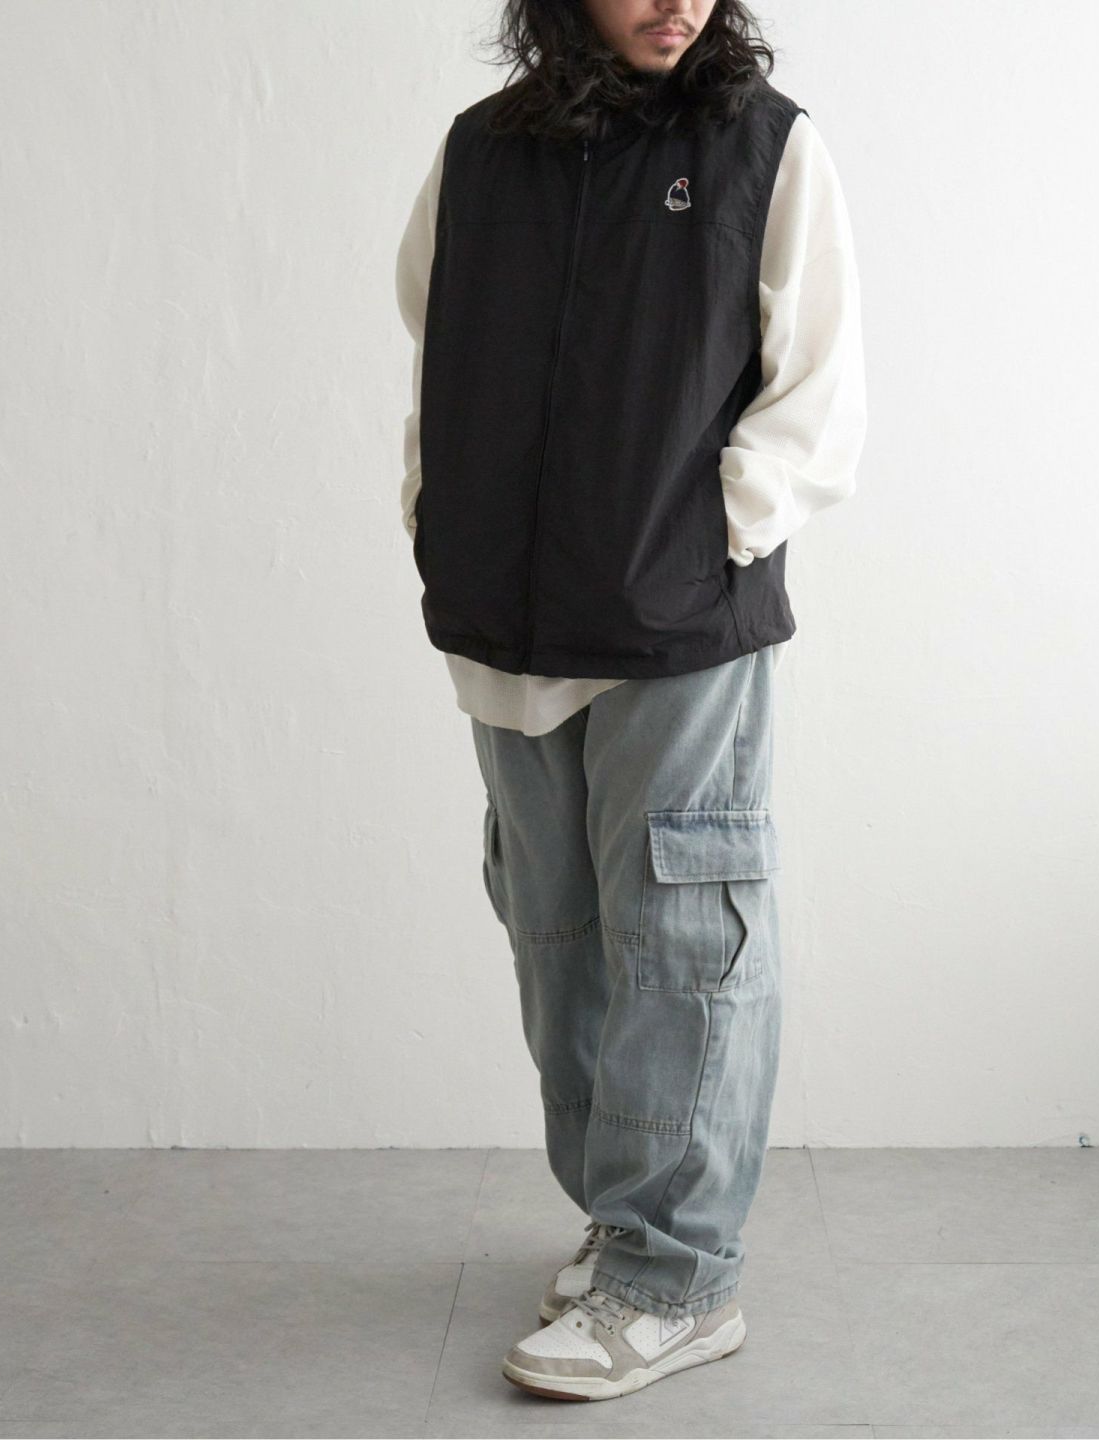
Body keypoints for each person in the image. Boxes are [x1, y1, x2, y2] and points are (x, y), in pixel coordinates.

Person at [395, 0, 866, 1404]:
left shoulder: (764, 147)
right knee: (561, 942)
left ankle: (679, 1278)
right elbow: (435, 344)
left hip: (678, 626)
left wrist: (706, 537)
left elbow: (818, 391)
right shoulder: (480, 154)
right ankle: (623, 1227)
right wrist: (438, 516)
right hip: (507, 621)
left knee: (683, 938)